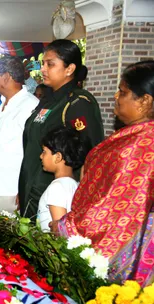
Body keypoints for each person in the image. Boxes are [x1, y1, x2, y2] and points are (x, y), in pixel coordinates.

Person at [53, 60, 154, 286]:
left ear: (145, 101)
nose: (116, 97)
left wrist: (65, 227)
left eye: (123, 92)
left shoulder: (142, 146)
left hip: (130, 254)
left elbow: (118, 208)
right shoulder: (133, 136)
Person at [18, 39, 104, 219]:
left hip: (54, 193)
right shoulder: (47, 100)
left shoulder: (78, 102)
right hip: (31, 184)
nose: (43, 69)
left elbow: (91, 154)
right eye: (43, 64)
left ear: (69, 69)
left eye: (50, 64)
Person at [0, 56, 39, 212]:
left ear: (5, 77)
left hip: (8, 189)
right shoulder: (4, 101)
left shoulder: (30, 106)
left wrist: (23, 188)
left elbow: (33, 151)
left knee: (6, 234)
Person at [37, 128, 88, 232]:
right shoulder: (75, 184)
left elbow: (60, 232)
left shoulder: (57, 188)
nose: (41, 156)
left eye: (44, 151)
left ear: (58, 157)